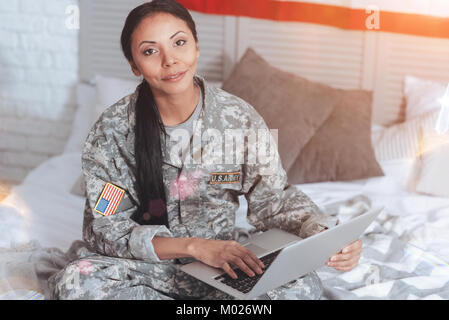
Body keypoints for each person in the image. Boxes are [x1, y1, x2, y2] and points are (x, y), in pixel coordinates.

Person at [49, 0, 362, 300]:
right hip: (145, 268)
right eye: (150, 51)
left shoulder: (239, 118)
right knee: (78, 283)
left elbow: (275, 200)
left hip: (223, 266)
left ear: (197, 47)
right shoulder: (112, 131)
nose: (169, 60)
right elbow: (106, 229)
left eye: (179, 43)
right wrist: (193, 247)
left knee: (302, 288)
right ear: (134, 65)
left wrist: (325, 235)